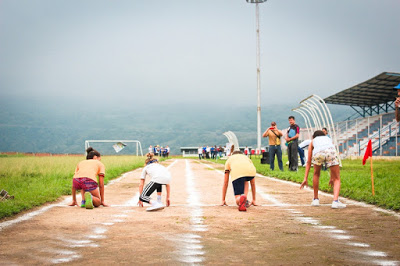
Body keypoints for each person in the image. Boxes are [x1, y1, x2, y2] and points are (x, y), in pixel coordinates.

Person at [300, 130, 346, 209]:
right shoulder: (328, 139)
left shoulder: (313, 141)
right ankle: (335, 201)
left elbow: (308, 162)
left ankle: (315, 199)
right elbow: (331, 156)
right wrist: (332, 177)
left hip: (318, 153)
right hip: (330, 152)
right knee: (337, 178)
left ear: (314, 136)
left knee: (316, 174)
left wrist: (305, 178)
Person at [221, 146, 257, 212]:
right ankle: (244, 197)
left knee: (238, 199)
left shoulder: (230, 159)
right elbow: (253, 183)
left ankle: (240, 199)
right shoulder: (246, 158)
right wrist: (254, 199)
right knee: (246, 180)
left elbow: (225, 182)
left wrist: (223, 199)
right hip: (251, 172)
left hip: (238, 173)